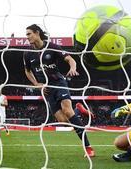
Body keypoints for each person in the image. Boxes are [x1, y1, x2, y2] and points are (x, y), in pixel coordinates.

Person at [23, 24, 95, 157]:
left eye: (29, 34)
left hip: (58, 82)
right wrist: (37, 84)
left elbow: (70, 59)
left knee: (67, 110)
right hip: (47, 89)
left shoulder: (52, 46)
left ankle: (88, 147)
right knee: (63, 121)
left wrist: (72, 68)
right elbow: (27, 71)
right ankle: (79, 110)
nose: (27, 37)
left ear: (37, 32)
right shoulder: (28, 53)